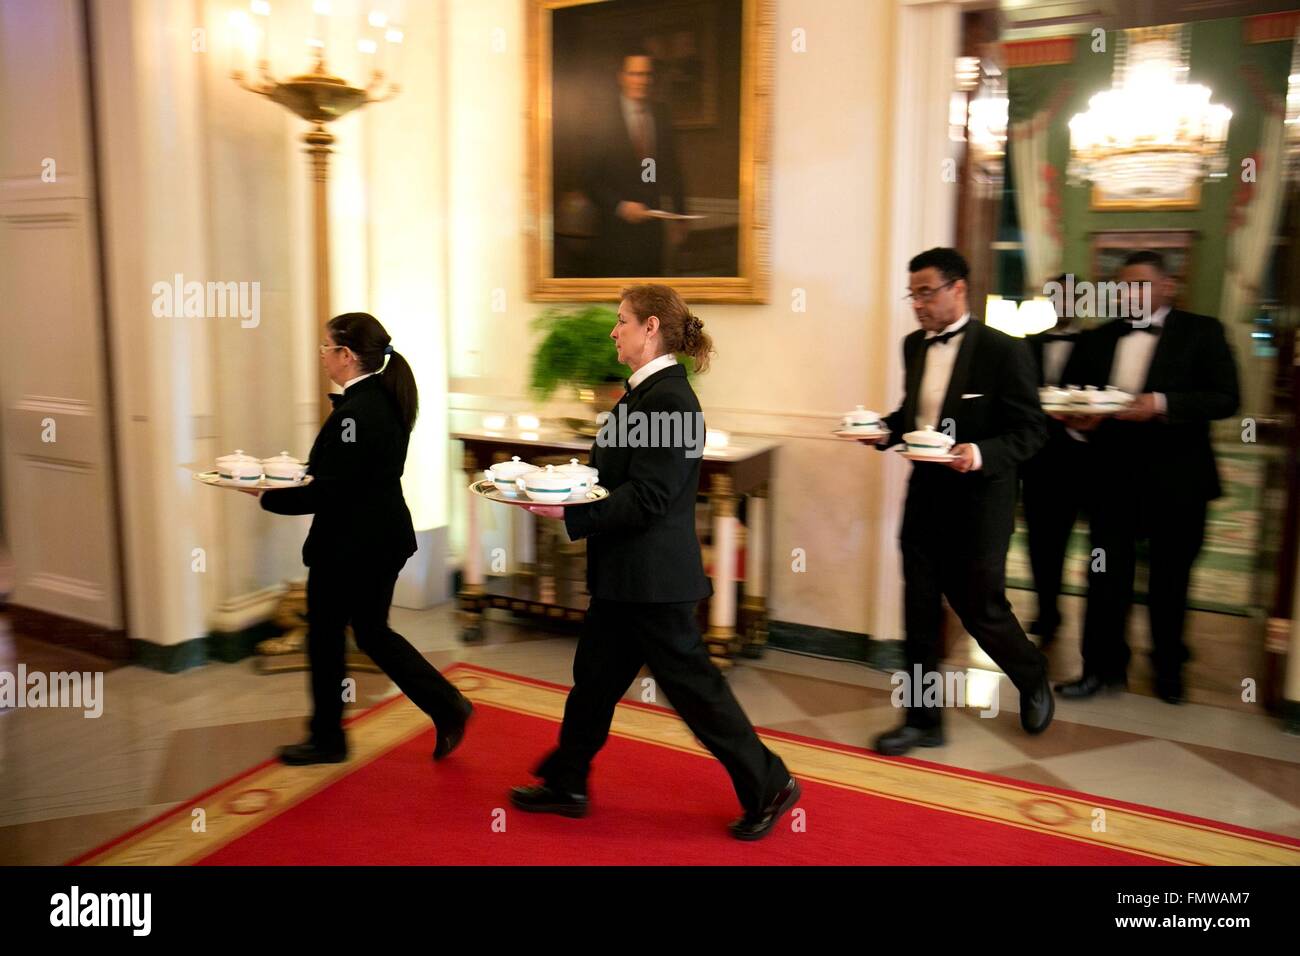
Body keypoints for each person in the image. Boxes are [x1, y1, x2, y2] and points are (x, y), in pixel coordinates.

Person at [510, 284, 799, 840]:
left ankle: (770, 783)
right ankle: (568, 783)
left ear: (651, 329)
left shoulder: (671, 400)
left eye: (621, 321)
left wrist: (570, 514)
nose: (613, 331)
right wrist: (554, 488)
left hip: (654, 583)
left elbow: (649, 498)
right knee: (593, 683)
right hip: (625, 580)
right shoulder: (641, 393)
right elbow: (608, 474)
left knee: (695, 692)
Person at [247, 312, 473, 765]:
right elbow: (342, 476)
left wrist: (265, 494)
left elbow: (332, 490)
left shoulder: (358, 411)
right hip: (380, 538)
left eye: (326, 348)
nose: (322, 356)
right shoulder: (381, 400)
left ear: (346, 356)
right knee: (371, 631)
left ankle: (328, 738)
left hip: (352, 545)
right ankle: (447, 705)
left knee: (328, 636)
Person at [864, 248, 1053, 755]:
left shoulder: (1003, 350)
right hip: (925, 499)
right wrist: (881, 430)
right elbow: (914, 415)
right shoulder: (913, 346)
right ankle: (923, 720)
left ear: (958, 289)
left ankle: (1032, 674)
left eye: (926, 292)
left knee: (981, 608)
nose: (918, 304)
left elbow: (1032, 430)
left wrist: (979, 453)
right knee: (919, 612)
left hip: (980, 504)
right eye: (913, 294)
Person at [1055, 251, 1240, 704]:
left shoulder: (1203, 332)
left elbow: (1225, 399)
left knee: (1170, 581)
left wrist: (1159, 404)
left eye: (1138, 283)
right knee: (1104, 579)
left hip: (1178, 481)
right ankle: (1100, 669)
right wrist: (1079, 422)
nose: (1127, 293)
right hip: (1110, 480)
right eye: (1121, 285)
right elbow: (1070, 396)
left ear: (1167, 286)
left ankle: (1169, 670)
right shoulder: (1096, 340)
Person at [1021, 274, 1087, 647]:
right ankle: (1047, 610)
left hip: (1089, 459)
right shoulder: (1028, 345)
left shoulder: (1097, 343)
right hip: (1041, 460)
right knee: (1042, 541)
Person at [583, 48, 687, 277]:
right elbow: (589, 180)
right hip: (614, 235)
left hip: (652, 236)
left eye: (647, 75)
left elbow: (671, 169)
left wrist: (680, 216)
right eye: (635, 74)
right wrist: (620, 206)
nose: (642, 81)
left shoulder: (661, 114)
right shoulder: (601, 118)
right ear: (622, 77)